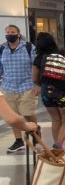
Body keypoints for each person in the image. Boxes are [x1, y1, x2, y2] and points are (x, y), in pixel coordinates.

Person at [32, 33, 65, 151]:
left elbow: (34, 79)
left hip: (47, 93)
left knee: (56, 119)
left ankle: (58, 147)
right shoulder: (63, 53)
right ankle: (59, 143)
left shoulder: (39, 58)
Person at [0, 24, 38, 153]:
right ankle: (18, 141)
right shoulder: (2, 49)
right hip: (8, 87)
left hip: (26, 86)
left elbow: (35, 65)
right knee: (13, 116)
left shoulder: (28, 47)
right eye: (7, 32)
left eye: (12, 32)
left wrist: (37, 84)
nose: (9, 34)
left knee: (28, 113)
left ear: (18, 34)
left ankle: (35, 131)